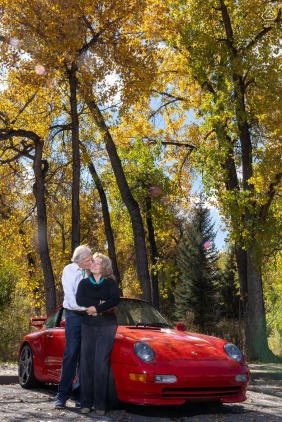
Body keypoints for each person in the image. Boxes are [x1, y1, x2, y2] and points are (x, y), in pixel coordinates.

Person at [76, 252, 120, 416]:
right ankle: (86, 402)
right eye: (93, 262)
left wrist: (96, 308)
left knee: (101, 364)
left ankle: (100, 404)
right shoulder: (84, 283)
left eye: (98, 263)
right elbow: (80, 300)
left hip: (107, 326)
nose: (94, 264)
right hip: (88, 325)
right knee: (87, 364)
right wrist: (101, 303)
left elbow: (115, 300)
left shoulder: (110, 283)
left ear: (105, 267)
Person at [54, 245, 93, 409]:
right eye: (87, 260)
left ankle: (80, 395)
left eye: (91, 259)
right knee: (71, 353)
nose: (90, 262)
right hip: (74, 315)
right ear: (78, 260)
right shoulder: (69, 271)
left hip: (91, 317)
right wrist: (88, 307)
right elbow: (70, 298)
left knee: (85, 356)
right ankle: (62, 395)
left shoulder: (92, 270)